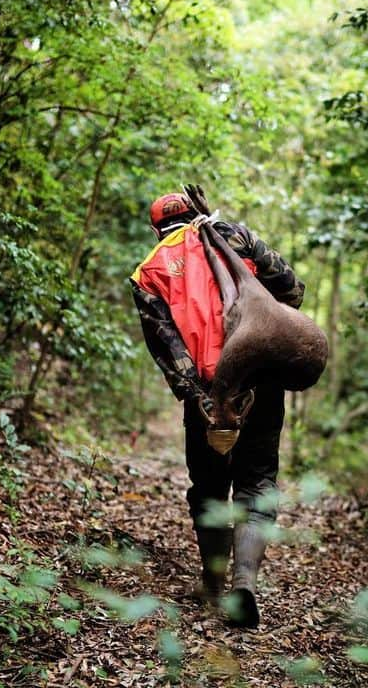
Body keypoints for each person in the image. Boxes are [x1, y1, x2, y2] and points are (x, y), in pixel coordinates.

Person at [129, 190, 305, 628]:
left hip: (208, 393)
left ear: (157, 229)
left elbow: (167, 349)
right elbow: (291, 289)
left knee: (209, 486)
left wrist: (201, 399)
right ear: (197, 212)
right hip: (261, 381)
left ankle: (213, 581)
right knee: (257, 480)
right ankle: (244, 582)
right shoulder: (236, 236)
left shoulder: (149, 271)